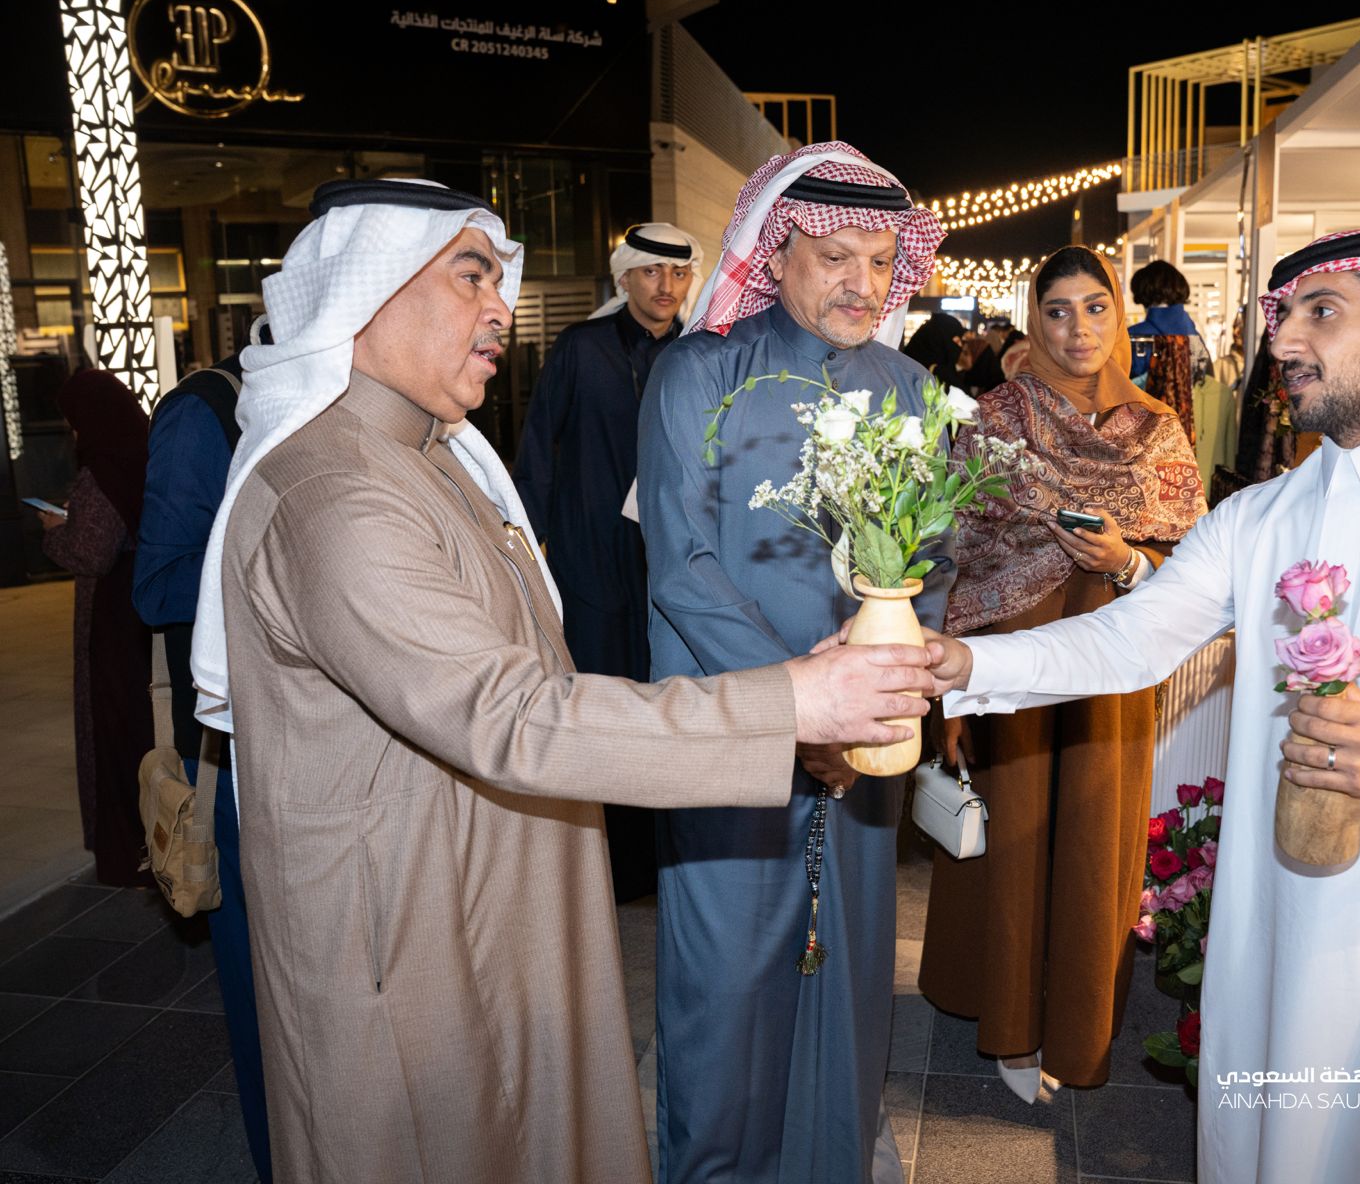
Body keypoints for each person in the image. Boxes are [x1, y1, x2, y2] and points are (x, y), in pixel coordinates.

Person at [187, 177, 941, 1183]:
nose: (502, 307)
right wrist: (796, 705)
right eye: (471, 278)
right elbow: (515, 711)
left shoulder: (421, 458)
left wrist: (878, 671)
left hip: (492, 882)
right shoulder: (339, 496)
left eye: (497, 281)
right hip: (404, 929)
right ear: (363, 294)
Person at [910, 226, 1360, 1182]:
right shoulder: (1262, 516)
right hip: (1277, 939)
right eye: (1281, 315)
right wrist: (959, 667)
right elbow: (1129, 637)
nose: (1280, 340)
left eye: (1321, 313)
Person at [637, 141, 951, 1184]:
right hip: (732, 727)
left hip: (858, 738)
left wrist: (885, 689)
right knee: (724, 987)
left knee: (850, 979)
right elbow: (680, 567)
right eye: (834, 258)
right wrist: (798, 708)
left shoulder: (911, 388)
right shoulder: (700, 372)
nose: (863, 284)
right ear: (774, 258)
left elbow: (929, 564)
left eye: (879, 260)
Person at [919, 246, 1206, 1101]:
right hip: (1012, 664)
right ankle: (1006, 1024)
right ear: (1031, 318)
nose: (1076, 329)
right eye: (1056, 311)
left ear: (1118, 316)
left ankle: (1077, 1028)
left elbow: (1193, 568)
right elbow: (960, 550)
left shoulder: (1159, 427)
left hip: (1115, 663)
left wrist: (1126, 562)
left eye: (1093, 308)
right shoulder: (994, 418)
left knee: (1093, 841)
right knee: (1012, 840)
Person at [512, 221, 703, 901]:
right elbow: (539, 447)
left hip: (671, 570)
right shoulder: (582, 349)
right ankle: (603, 871)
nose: (666, 288)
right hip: (589, 562)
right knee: (600, 708)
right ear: (624, 277)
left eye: (678, 275)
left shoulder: (699, 354)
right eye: (652, 273)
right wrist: (524, 549)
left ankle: (663, 865)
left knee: (665, 704)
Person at [132, 340, 272, 1182]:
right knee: (266, 1009)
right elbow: (156, 585)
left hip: (323, 748)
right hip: (236, 755)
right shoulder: (202, 413)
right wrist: (278, 566)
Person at [39, 369, 152, 887]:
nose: (75, 433)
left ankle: (127, 849)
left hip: (112, 621)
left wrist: (56, 533)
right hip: (136, 612)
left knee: (115, 726)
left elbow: (90, 550)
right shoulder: (141, 454)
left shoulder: (101, 470)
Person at [901, 311, 965, 390]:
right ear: (940, 340)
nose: (960, 346)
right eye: (956, 341)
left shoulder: (906, 361)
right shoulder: (937, 372)